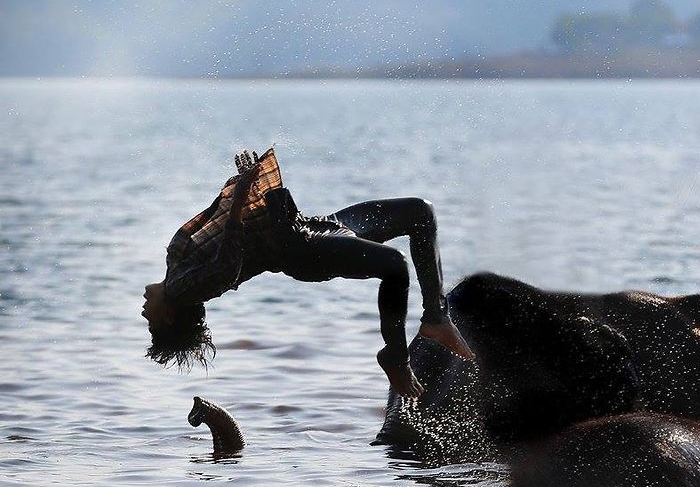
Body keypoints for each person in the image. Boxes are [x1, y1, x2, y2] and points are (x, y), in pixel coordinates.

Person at [143, 149, 475, 397]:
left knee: (420, 212)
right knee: (395, 266)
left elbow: (223, 251)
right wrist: (241, 197)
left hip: (311, 229)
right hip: (304, 252)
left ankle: (436, 318)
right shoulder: (180, 290)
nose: (144, 309)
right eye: (150, 319)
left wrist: (244, 194)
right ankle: (397, 357)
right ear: (169, 316)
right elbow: (226, 268)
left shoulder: (178, 274)